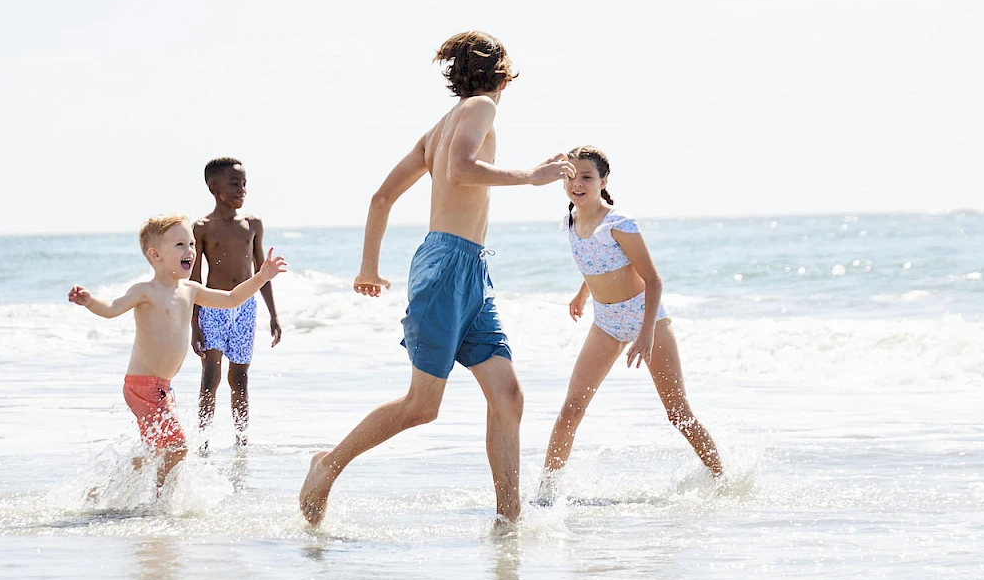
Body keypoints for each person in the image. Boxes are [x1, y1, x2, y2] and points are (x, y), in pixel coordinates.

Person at [297, 30, 576, 526]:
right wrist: (532, 177)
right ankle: (328, 463)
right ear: (503, 74)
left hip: (469, 269)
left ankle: (508, 520)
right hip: (448, 266)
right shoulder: (479, 110)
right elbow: (462, 169)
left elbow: (380, 199)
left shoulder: (437, 127)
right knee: (422, 406)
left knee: (507, 396)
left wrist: (368, 266)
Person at [537, 146, 723, 501]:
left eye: (587, 177)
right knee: (572, 407)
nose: (578, 184)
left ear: (602, 181)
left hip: (646, 317)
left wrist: (646, 334)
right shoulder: (571, 222)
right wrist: (582, 295)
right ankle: (546, 493)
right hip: (606, 322)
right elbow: (597, 263)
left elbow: (653, 280)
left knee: (677, 412)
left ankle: (722, 479)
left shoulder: (619, 223)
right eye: (571, 176)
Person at [69, 213, 286, 491]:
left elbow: (232, 299)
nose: (190, 251)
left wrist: (261, 276)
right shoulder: (145, 291)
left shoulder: (190, 290)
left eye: (192, 244)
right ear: (155, 254)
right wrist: (89, 301)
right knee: (178, 447)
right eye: (180, 245)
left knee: (157, 450)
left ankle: (108, 492)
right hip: (143, 386)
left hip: (161, 387)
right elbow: (111, 309)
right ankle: (161, 503)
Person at [192, 157, 282, 451]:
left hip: (246, 308)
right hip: (213, 306)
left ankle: (242, 442)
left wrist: (273, 315)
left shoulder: (252, 224)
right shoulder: (203, 228)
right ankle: (203, 442)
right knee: (210, 376)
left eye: (244, 184)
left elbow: (262, 273)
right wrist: (194, 324)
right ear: (214, 187)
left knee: (240, 379)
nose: (242, 189)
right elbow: (195, 278)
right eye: (234, 183)